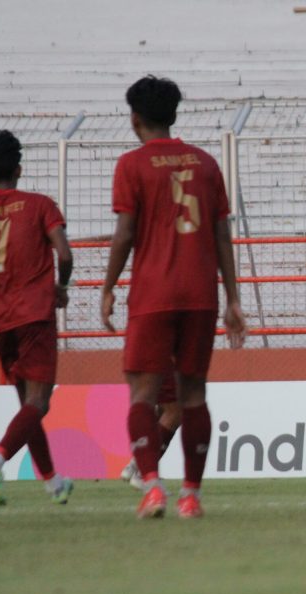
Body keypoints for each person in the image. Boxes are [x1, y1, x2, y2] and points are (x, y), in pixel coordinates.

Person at [101, 75, 246, 518]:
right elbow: (222, 234)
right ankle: (191, 496)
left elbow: (125, 232)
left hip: (153, 294)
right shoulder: (206, 164)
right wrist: (233, 299)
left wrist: (107, 286)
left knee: (142, 394)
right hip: (200, 294)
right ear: (174, 114)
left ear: (135, 119)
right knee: (193, 394)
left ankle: (151, 488)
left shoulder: (132, 165)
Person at [0, 130, 75, 505]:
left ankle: (53, 482)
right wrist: (61, 287)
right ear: (19, 169)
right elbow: (64, 254)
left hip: (0, 319)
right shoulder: (41, 206)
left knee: (28, 405)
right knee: (39, 403)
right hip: (35, 315)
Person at [119, 372, 181, 490]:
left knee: (165, 410)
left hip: (151, 368)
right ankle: (143, 474)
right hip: (166, 366)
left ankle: (136, 465)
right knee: (174, 413)